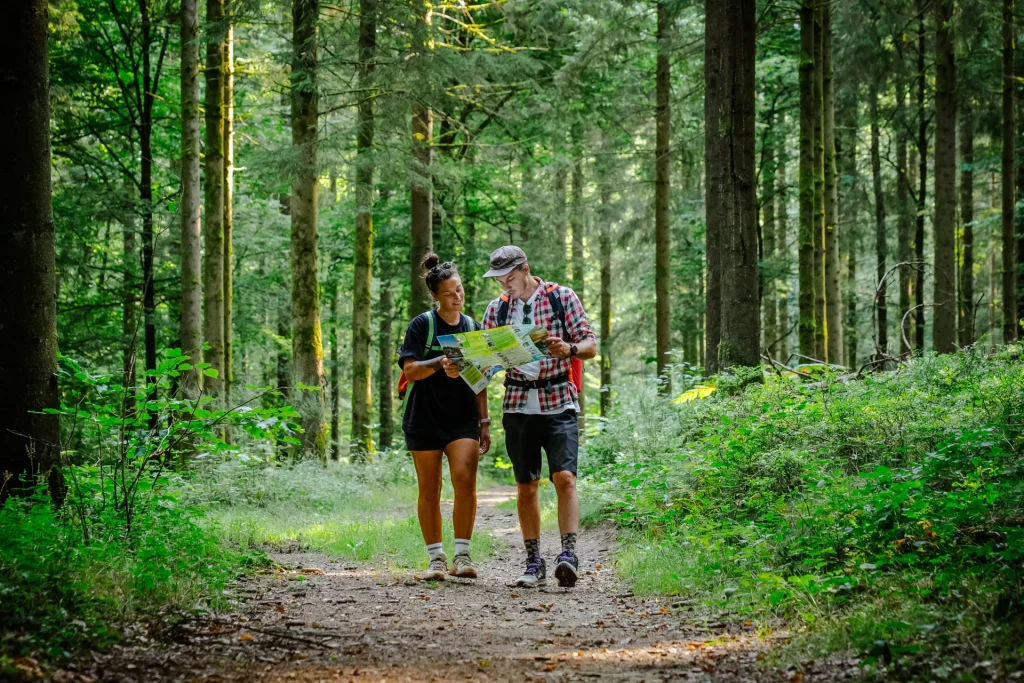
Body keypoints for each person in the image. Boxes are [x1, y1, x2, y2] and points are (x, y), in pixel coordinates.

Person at [479, 246, 597, 588]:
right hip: (517, 403)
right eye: (499, 279)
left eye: (510, 277)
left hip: (559, 398)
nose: (505, 284)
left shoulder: (562, 297)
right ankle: (533, 561)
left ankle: (568, 554)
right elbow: (483, 362)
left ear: (526, 269)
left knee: (565, 478)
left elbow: (589, 344)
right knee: (526, 486)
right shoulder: (497, 309)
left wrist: (570, 349)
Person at [399, 254, 491, 581]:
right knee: (430, 487)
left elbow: (480, 378)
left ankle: (462, 556)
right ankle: (435, 559)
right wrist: (442, 361)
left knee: (465, 480)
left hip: (462, 417)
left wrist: (485, 422)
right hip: (424, 416)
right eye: (450, 292)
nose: (458, 296)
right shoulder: (422, 325)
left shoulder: (472, 328)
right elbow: (410, 370)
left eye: (460, 289)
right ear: (436, 295)